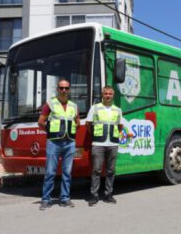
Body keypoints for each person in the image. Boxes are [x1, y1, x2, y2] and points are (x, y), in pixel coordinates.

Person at [38, 78, 80, 210]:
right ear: (57, 89)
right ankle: (46, 199)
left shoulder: (74, 105)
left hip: (69, 143)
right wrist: (51, 133)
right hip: (54, 143)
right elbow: (41, 122)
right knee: (50, 172)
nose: (64, 90)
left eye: (66, 88)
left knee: (67, 172)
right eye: (61, 88)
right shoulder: (50, 103)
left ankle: (65, 198)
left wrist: (72, 130)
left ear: (69, 90)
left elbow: (77, 122)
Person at [86, 86, 123, 206]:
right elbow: (88, 124)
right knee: (96, 170)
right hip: (98, 144)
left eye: (110, 94)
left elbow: (120, 126)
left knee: (111, 171)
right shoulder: (95, 108)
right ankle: (94, 195)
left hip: (113, 144)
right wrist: (95, 136)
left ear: (113, 95)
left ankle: (108, 194)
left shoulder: (117, 110)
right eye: (106, 93)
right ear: (102, 95)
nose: (108, 96)